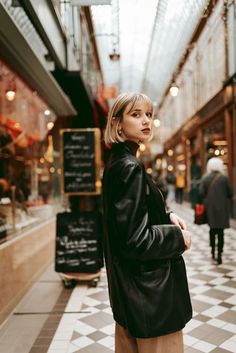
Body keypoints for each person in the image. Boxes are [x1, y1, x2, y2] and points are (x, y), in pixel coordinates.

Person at [102, 92, 192, 353]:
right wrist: (178, 238)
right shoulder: (129, 167)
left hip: (133, 299)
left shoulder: (119, 163)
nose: (146, 121)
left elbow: (127, 223)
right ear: (117, 123)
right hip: (151, 301)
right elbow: (135, 240)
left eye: (149, 115)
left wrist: (166, 217)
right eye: (136, 114)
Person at [199, 157, 233, 264]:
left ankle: (213, 250)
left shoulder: (205, 178)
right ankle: (220, 254)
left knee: (212, 230)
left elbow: (201, 194)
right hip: (222, 208)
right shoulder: (224, 178)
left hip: (210, 208)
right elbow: (230, 193)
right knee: (221, 232)